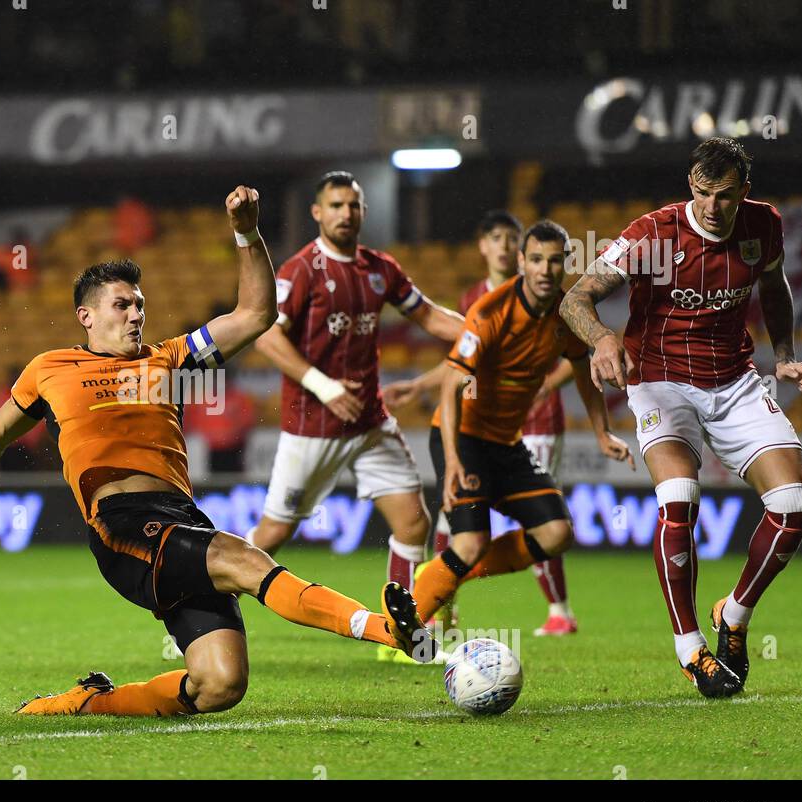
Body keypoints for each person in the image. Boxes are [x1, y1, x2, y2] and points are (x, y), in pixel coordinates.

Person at [0, 187, 436, 717]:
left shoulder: (168, 361)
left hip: (180, 517)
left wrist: (247, 232)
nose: (136, 314)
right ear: (87, 316)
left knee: (220, 685)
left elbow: (257, 314)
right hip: (121, 525)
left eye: (140, 305)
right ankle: (387, 631)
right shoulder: (49, 369)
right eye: (122, 305)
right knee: (245, 559)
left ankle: (90, 703)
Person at [560, 137, 802, 697]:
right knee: (680, 495)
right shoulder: (653, 234)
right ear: (690, 186)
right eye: (701, 192)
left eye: (724, 196)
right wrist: (603, 337)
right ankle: (691, 648)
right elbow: (575, 298)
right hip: (660, 381)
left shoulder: (762, 226)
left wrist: (787, 354)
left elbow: (773, 285)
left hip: (733, 379)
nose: (711, 207)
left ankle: (736, 614)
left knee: (796, 504)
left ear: (742, 193)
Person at [407, 221, 633, 646]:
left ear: (566, 263)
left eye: (554, 261)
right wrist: (453, 460)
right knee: (471, 541)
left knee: (556, 534)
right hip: (465, 439)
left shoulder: (569, 316)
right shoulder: (491, 312)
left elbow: (583, 370)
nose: (545, 270)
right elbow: (451, 385)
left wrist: (602, 433)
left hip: (506, 444)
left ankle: (445, 571)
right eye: (535, 260)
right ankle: (403, 626)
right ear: (521, 263)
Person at [248, 171, 463, 616]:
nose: (346, 214)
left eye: (353, 205)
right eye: (336, 206)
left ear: (363, 211)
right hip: (312, 427)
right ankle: (198, 606)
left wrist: (486, 332)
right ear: (317, 213)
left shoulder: (380, 269)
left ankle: (401, 629)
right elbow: (266, 338)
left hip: (369, 423)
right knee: (271, 536)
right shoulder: (301, 270)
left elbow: (431, 318)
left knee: (412, 523)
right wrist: (324, 386)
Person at [386, 210, 581, 637]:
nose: (507, 247)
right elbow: (458, 373)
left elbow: (580, 356)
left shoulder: (559, 309)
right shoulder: (479, 303)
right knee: (461, 533)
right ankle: (423, 608)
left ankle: (457, 582)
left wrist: (574, 406)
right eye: (499, 239)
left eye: (513, 240)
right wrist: (420, 385)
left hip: (521, 429)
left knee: (551, 530)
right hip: (468, 432)